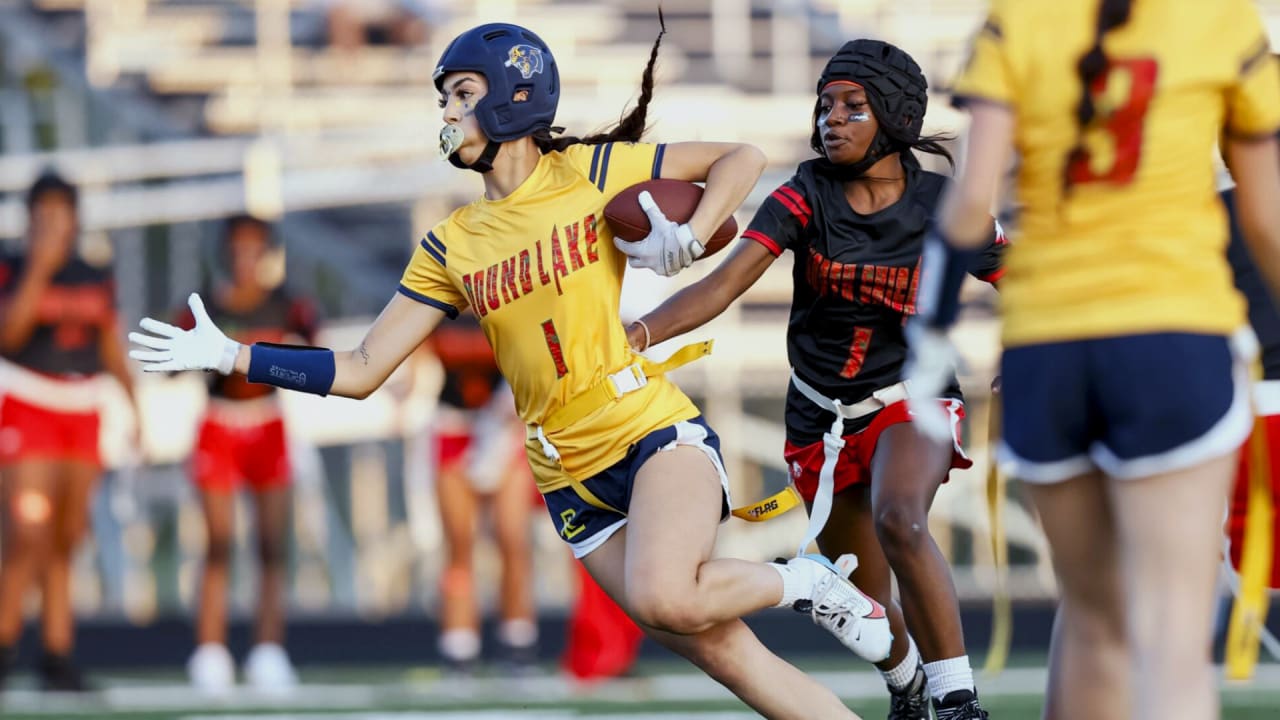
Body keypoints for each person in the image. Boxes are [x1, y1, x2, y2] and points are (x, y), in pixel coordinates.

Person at [129, 19, 894, 719]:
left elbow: (744, 158)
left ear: (512, 96)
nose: (448, 113)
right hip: (565, 474)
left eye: (462, 93)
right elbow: (363, 369)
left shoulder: (590, 171)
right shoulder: (449, 243)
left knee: (667, 594)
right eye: (445, 98)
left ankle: (803, 581)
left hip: (645, 429)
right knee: (719, 650)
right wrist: (233, 355)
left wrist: (690, 237)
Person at [906, 1, 1280, 718]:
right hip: (1173, 334)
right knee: (1171, 642)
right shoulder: (1220, 20)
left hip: (1047, 344)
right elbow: (1264, 217)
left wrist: (930, 331)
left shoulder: (1018, 19)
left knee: (1092, 623)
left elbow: (968, 203)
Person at [623, 39, 1003, 720]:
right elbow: (723, 285)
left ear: (894, 115)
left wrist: (1030, 349)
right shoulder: (805, 196)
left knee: (900, 517)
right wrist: (638, 335)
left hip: (912, 395)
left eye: (852, 105)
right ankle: (909, 685)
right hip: (821, 417)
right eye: (824, 104)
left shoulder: (943, 203)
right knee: (862, 598)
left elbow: (1026, 279)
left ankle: (956, 700)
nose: (831, 118)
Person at [0, 170, 140, 691]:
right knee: (25, 533)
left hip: (82, 408)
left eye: (61, 214)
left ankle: (57, 654)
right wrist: (39, 267)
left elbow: (109, 345)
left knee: (66, 538)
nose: (53, 224)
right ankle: (5, 642)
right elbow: (10, 333)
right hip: (28, 401)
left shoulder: (94, 274)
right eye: (43, 215)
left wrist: (134, 406)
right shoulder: (12, 267)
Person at [179, 215, 317, 694]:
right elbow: (174, 362)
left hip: (268, 424)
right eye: (237, 248)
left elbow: (315, 353)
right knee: (218, 544)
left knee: (271, 545)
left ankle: (268, 650)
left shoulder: (287, 305)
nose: (245, 258)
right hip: (219, 423)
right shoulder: (207, 305)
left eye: (254, 248)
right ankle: (211, 650)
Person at [423, 313, 538, 674]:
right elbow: (413, 362)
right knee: (459, 541)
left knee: (512, 537)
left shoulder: (505, 299)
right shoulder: (437, 308)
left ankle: (518, 640)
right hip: (453, 427)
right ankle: (459, 643)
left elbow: (531, 358)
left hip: (502, 427)